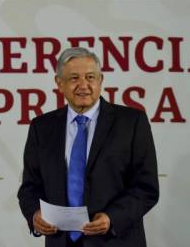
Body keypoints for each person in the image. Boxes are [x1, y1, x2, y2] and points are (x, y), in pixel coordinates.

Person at [17, 47, 159, 247]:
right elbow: (29, 187)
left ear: (101, 80)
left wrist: (112, 218)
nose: (83, 85)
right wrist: (34, 215)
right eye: (74, 78)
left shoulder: (132, 123)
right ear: (59, 83)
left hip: (115, 240)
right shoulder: (42, 127)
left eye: (90, 77)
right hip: (60, 241)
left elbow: (146, 188)